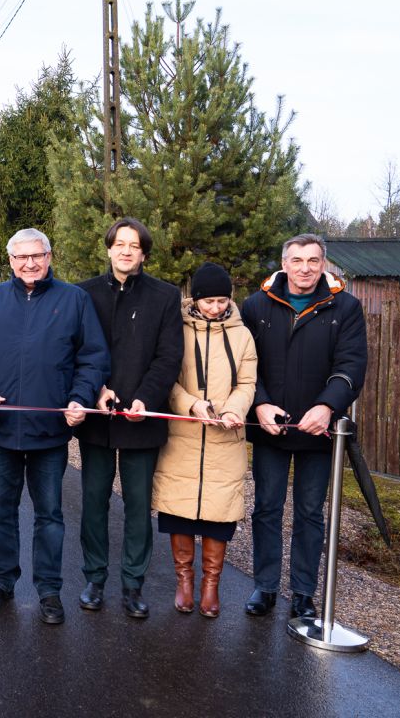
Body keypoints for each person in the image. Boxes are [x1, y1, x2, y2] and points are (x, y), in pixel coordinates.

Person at [0, 228, 109, 625]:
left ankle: (49, 589)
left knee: (50, 515)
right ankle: (2, 580)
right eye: (21, 257)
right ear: (10, 261)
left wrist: (79, 397)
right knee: (0, 511)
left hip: (50, 433)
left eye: (37, 255)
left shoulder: (74, 300)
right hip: (1, 428)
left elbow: (92, 358)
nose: (30, 263)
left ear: (49, 255)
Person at [242, 234, 367, 619]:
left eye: (314, 261)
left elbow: (350, 365)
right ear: (284, 263)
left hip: (318, 431)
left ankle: (303, 592)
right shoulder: (256, 305)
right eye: (297, 260)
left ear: (324, 264)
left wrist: (327, 407)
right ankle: (264, 587)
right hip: (269, 428)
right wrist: (259, 404)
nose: (305, 269)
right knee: (266, 508)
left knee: (310, 512)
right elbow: (245, 365)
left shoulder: (345, 308)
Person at [74, 218, 182, 618]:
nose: (125, 251)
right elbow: (79, 350)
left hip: (143, 417)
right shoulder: (82, 294)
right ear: (108, 249)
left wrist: (145, 399)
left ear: (144, 254)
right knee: (94, 500)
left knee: (138, 505)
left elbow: (168, 356)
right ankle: (94, 578)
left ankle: (133, 584)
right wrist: (95, 390)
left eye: (133, 246)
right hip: (98, 418)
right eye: (119, 244)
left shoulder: (165, 297)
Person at [153, 263, 257, 617]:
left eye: (221, 300)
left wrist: (234, 410)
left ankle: (211, 584)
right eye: (208, 300)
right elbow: (166, 375)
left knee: (218, 514)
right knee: (179, 511)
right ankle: (184, 580)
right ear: (194, 300)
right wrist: (191, 403)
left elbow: (247, 383)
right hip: (182, 435)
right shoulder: (176, 330)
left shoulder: (243, 335)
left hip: (225, 439)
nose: (215, 307)